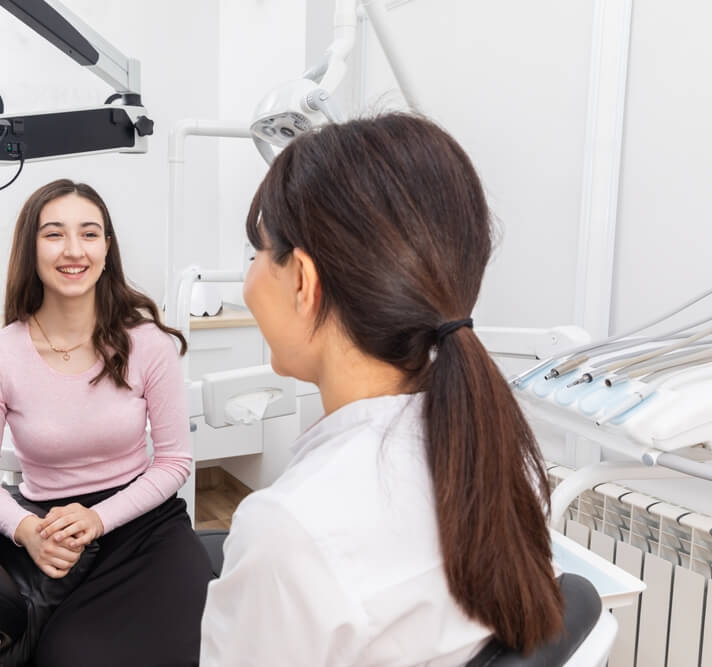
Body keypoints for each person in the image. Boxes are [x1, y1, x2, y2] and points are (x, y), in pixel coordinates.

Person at [200, 114, 564, 666]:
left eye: (257, 254)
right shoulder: (500, 454)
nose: (250, 281)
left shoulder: (289, 532)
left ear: (302, 281)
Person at [0, 179, 211, 666]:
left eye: (89, 234)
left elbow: (174, 461)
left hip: (145, 528)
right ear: (30, 248)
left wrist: (99, 518)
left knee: (193, 647)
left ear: (107, 247)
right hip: (54, 540)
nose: (74, 250)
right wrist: (27, 530)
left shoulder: (147, 344)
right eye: (54, 234)